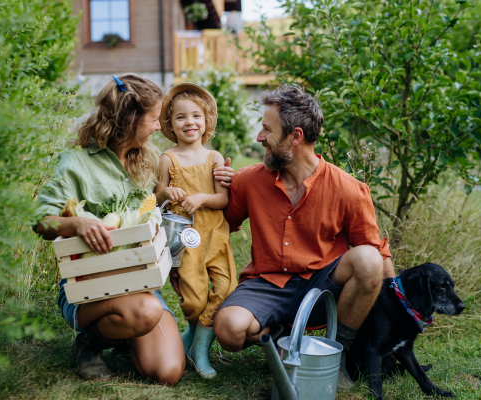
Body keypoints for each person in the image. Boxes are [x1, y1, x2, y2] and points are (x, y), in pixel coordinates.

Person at [35, 74, 234, 384]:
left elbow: (157, 208)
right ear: (131, 120)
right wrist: (77, 222)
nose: (159, 127)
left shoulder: (148, 159)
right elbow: (40, 221)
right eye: (154, 119)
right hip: (90, 290)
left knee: (168, 372)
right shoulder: (76, 163)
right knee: (146, 310)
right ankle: (90, 343)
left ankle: (126, 335)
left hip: (139, 282)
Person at [213, 84, 395, 388]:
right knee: (229, 331)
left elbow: (377, 253)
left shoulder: (348, 189)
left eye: (267, 130)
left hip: (324, 285)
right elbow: (220, 227)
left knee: (368, 259)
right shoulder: (248, 180)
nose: (259, 138)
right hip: (267, 284)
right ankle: (282, 332)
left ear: (295, 136)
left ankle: (335, 356)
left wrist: (391, 321)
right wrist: (214, 192)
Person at [154, 83, 237, 379]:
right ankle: (192, 334)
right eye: (181, 117)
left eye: (196, 116)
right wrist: (168, 191)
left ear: (206, 122)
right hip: (185, 235)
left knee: (225, 287)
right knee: (193, 297)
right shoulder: (168, 158)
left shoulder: (213, 157)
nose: (189, 122)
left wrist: (201, 198)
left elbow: (222, 199)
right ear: (170, 124)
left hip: (214, 231)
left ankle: (198, 348)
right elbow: (158, 194)